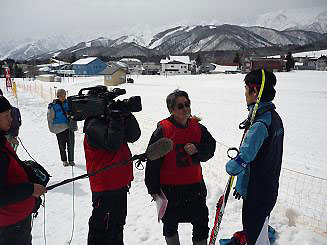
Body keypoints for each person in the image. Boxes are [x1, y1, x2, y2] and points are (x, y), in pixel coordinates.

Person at [145, 89, 216, 245]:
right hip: (171, 189)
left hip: (195, 187)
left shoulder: (198, 128)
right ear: (171, 110)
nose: (185, 108)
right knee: (170, 225)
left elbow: (211, 149)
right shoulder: (163, 130)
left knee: (201, 224)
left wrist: (198, 149)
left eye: (187, 104)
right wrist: (153, 189)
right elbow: (152, 162)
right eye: (180, 106)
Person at [225, 69, 284, 245]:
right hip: (269, 187)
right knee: (259, 229)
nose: (244, 93)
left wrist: (231, 167)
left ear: (255, 91)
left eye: (246, 89)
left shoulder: (260, 124)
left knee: (255, 236)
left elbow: (244, 158)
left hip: (257, 192)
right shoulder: (274, 117)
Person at [83, 107, 141, 245]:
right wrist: (115, 118)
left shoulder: (111, 122)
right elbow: (113, 142)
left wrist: (127, 115)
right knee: (102, 234)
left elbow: (134, 135)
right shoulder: (93, 125)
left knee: (117, 228)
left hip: (121, 186)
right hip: (105, 190)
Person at [0, 96, 47, 245]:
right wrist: (30, 189)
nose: (11, 120)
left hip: (17, 222)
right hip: (9, 226)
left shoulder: (2, 140)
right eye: (6, 116)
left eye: (10, 114)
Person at [47, 89, 76, 167]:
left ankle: (71, 160)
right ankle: (64, 160)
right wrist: (51, 128)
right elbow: (50, 118)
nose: (63, 97)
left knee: (71, 145)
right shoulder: (53, 105)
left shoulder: (70, 103)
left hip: (69, 127)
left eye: (64, 96)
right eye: (61, 96)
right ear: (58, 96)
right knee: (62, 145)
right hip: (59, 128)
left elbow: (75, 114)